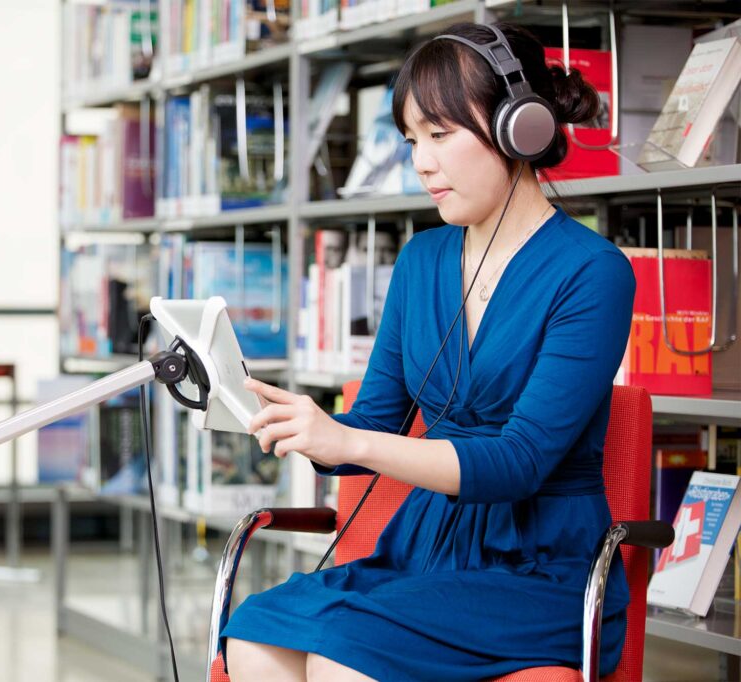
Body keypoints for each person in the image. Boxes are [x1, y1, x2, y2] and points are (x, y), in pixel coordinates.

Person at [222, 22, 635, 681]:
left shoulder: (593, 272)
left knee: (341, 658)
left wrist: (351, 444)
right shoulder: (422, 261)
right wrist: (304, 428)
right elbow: (373, 425)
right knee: (250, 637)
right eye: (413, 139)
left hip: (538, 567)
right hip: (423, 551)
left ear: (516, 129)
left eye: (439, 135)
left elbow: (520, 462)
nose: (420, 160)